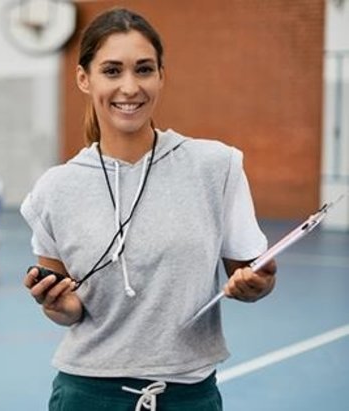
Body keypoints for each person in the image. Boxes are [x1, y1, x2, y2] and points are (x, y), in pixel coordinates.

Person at [20, 8, 277, 410]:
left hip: (188, 396)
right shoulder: (54, 189)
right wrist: (58, 304)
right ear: (84, 79)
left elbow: (252, 276)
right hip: (87, 395)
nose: (129, 87)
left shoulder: (215, 167)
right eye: (111, 71)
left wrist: (256, 284)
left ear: (161, 76)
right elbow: (70, 311)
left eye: (143, 69)